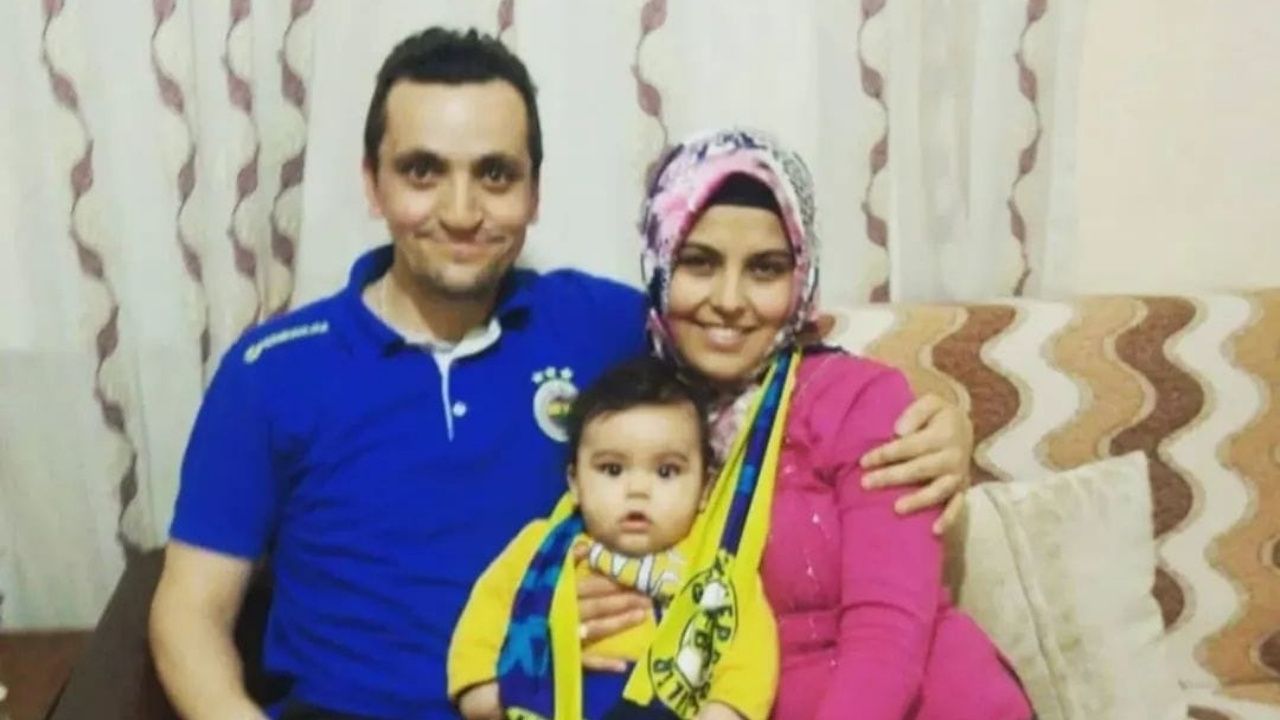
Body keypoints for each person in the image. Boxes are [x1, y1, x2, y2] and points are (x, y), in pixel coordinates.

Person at [149, 27, 974, 719]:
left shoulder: (600, 325)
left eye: (495, 174)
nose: (462, 211)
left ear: (535, 192)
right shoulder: (272, 372)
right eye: (423, 170)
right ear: (373, 182)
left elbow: (756, 343)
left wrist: (944, 420)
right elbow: (189, 613)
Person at [635, 128, 1033, 719]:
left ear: (801, 277)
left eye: (765, 269)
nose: (730, 299)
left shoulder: (860, 402)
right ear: (659, 261)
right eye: (699, 262)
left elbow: (887, 637)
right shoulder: (630, 416)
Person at [448, 357, 777, 720]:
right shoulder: (541, 549)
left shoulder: (716, 562)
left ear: (704, 488)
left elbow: (750, 656)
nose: (638, 489)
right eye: (612, 469)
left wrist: (722, 710)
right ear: (575, 482)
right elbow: (482, 629)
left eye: (667, 471)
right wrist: (498, 692)